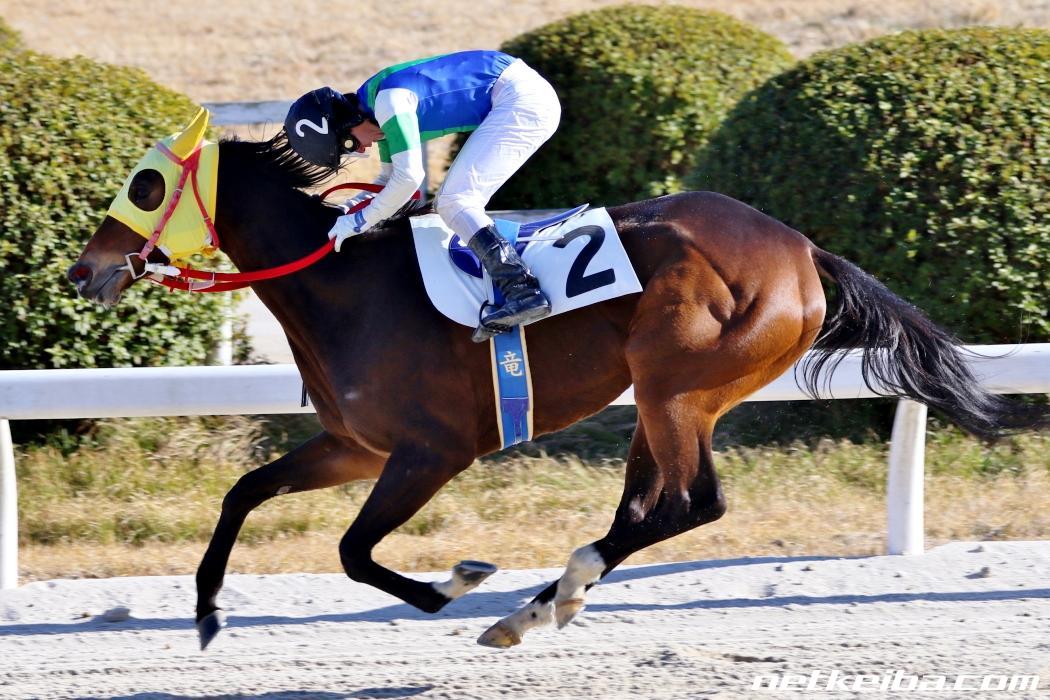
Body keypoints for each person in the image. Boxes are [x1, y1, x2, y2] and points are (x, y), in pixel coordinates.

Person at [283, 50, 561, 341]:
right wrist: (344, 213)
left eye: (349, 145)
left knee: (455, 200)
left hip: (520, 99)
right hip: (515, 93)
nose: (361, 150)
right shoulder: (376, 108)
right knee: (452, 201)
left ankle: (522, 290)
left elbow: (409, 179)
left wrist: (360, 221)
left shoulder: (388, 104)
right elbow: (388, 182)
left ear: (347, 121)